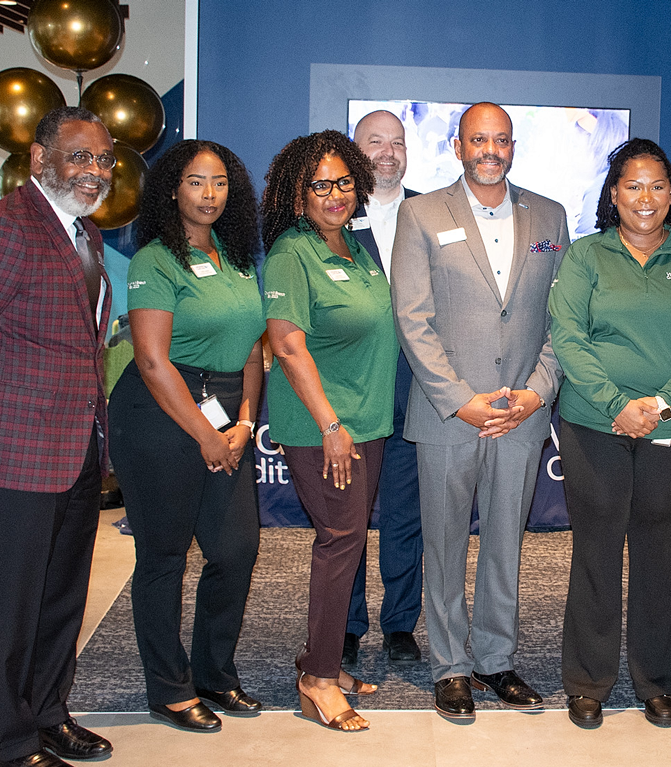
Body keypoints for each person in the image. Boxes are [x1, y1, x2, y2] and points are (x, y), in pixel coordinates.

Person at [390, 102, 569, 721]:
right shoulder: (420, 213)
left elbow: (561, 320)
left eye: (501, 140)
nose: (490, 150)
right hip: (448, 414)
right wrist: (459, 399)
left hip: (520, 413)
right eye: (478, 140)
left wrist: (536, 392)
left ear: (513, 147)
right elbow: (412, 318)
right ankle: (450, 665)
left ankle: (496, 659)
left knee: (504, 543)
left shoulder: (549, 215)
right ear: (457, 145)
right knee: (442, 544)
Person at [549, 138, 671, 729]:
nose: (644, 197)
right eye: (632, 186)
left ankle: (656, 680)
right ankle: (588, 680)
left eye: (656, 186)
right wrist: (616, 404)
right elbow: (568, 336)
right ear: (613, 194)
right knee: (596, 549)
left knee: (658, 551)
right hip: (593, 425)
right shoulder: (585, 257)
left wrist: (662, 403)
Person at [108, 140, 266, 732]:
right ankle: (169, 688)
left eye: (220, 182)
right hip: (161, 414)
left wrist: (245, 420)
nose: (209, 194)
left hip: (227, 413)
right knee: (164, 557)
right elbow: (151, 361)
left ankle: (214, 675)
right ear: (173, 188)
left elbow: (254, 347)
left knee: (235, 550)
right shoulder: (156, 259)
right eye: (196, 182)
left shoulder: (236, 256)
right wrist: (205, 434)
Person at [0, 106, 115, 766]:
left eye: (104, 161)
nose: (94, 171)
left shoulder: (81, 233)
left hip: (77, 449)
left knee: (61, 597)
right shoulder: (4, 229)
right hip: (12, 457)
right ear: (39, 160)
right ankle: (4, 741)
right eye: (80, 157)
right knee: (10, 608)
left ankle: (50, 713)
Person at [261, 130, 398, 732]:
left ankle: (323, 661)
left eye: (344, 181)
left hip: (365, 421)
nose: (335, 194)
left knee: (345, 542)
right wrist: (331, 424)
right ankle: (317, 681)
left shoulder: (353, 248)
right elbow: (288, 346)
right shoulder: (293, 252)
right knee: (340, 542)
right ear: (298, 194)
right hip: (326, 427)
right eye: (321, 185)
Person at [341, 109, 424, 668]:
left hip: (417, 390)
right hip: (352, 392)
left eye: (397, 142)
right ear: (355, 148)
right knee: (346, 516)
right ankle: (345, 625)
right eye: (375, 142)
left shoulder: (432, 210)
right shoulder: (332, 216)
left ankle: (399, 624)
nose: (387, 153)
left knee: (405, 515)